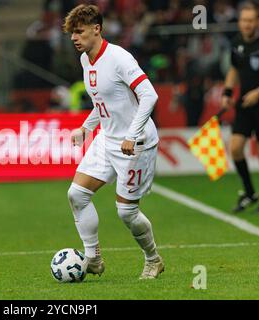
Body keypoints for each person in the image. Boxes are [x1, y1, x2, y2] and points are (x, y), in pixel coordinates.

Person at [63, 4, 164, 279]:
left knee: (126, 213)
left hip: (136, 144)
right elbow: (103, 103)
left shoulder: (119, 58)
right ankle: (93, 258)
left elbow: (149, 95)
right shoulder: (86, 60)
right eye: (72, 33)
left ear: (97, 29)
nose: (74, 37)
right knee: (77, 194)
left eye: (79, 32)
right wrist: (86, 128)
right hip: (108, 139)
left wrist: (132, 135)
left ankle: (153, 259)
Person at [221, 2, 259, 214]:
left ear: (258, 22)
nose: (247, 24)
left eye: (251, 20)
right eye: (244, 20)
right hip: (244, 105)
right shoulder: (236, 44)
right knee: (235, 148)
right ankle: (250, 192)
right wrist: (227, 92)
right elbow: (234, 69)